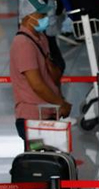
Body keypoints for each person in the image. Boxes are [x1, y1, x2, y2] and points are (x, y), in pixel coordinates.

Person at [10, 0, 71, 140]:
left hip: (47, 114)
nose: (45, 17)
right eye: (40, 14)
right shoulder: (23, 44)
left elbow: (53, 76)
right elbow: (37, 85)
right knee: (40, 159)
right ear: (27, 17)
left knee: (53, 158)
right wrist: (60, 103)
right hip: (32, 119)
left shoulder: (41, 38)